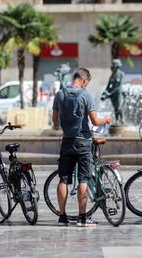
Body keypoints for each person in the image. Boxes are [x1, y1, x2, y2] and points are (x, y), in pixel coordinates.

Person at [52, 67, 111, 227]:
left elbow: (55, 121)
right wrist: (105, 119)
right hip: (83, 142)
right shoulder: (86, 95)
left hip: (67, 141)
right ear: (84, 80)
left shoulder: (60, 94)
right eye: (87, 83)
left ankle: (62, 217)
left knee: (63, 179)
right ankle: (82, 218)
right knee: (83, 179)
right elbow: (95, 121)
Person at [101, 59, 125, 125]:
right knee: (115, 108)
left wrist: (110, 93)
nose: (112, 66)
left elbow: (119, 86)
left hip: (118, 93)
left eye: (113, 64)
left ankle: (122, 119)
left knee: (119, 107)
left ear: (117, 65)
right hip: (112, 94)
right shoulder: (112, 74)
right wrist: (105, 92)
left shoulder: (121, 74)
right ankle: (117, 120)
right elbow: (108, 85)